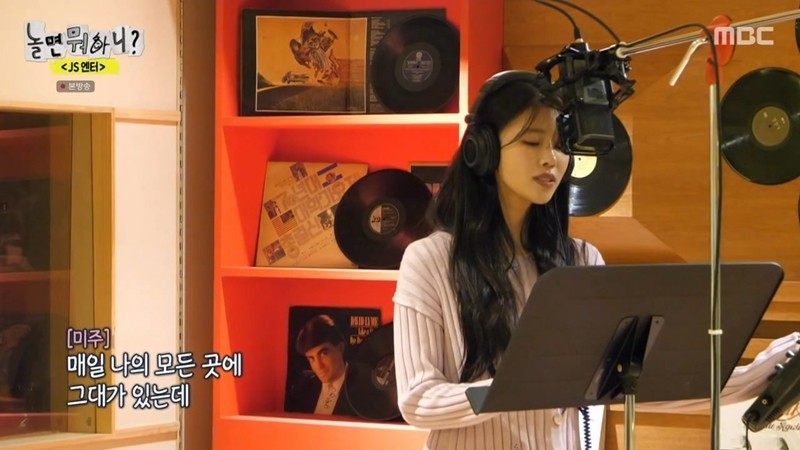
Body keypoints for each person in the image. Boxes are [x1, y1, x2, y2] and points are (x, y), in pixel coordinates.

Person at [392, 70, 800, 450]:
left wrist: (758, 375)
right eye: (533, 142)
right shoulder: (429, 261)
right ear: (482, 151)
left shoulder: (582, 259)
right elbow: (417, 400)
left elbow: (627, 384)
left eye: (560, 145)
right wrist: (520, 387)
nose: (551, 159)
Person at [285, 314, 356, 417]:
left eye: (323, 353)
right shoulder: (302, 389)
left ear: (340, 347)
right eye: (311, 358)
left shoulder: (363, 387)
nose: (318, 366)